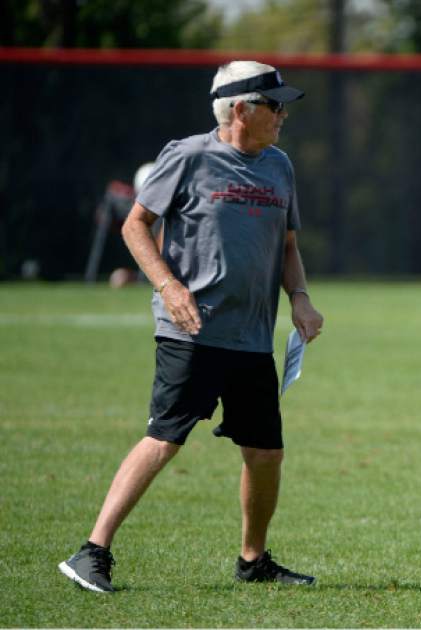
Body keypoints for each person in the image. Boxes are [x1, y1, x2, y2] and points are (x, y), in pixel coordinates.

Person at [58, 60, 324, 593]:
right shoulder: (188, 156)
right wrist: (168, 286)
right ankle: (91, 551)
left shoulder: (280, 167)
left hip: (252, 339)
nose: (282, 115)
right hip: (192, 329)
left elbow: (288, 246)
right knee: (163, 439)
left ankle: (253, 560)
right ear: (241, 109)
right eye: (274, 106)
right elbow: (136, 224)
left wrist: (299, 297)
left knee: (266, 452)